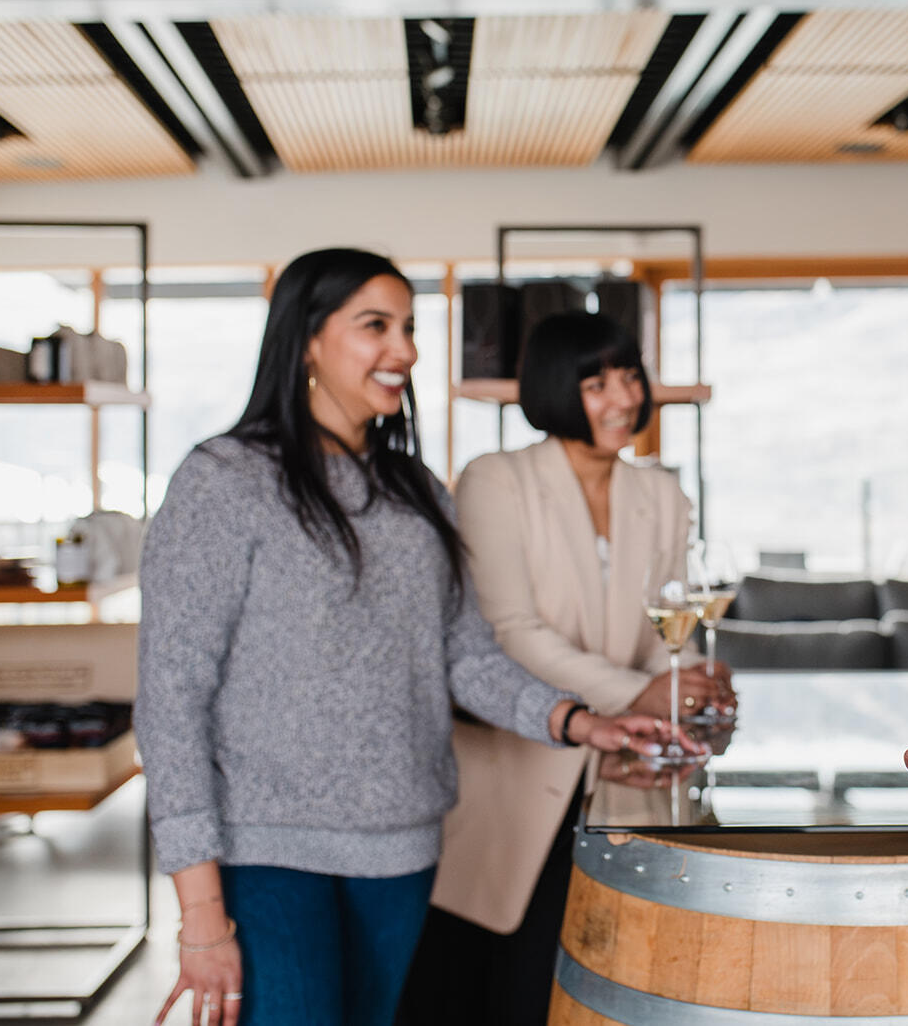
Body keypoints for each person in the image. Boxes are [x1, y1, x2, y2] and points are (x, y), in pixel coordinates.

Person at [135, 251, 680, 1026]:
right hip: (267, 851)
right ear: (308, 340)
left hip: (405, 848)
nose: (407, 351)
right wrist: (199, 912)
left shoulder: (416, 490)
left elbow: (464, 655)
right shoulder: (223, 480)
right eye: (375, 326)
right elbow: (170, 697)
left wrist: (578, 720)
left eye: (410, 328)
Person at [399, 312, 731, 1024]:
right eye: (596, 382)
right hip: (512, 782)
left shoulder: (663, 494)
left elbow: (671, 628)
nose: (622, 398)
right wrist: (643, 693)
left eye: (629, 377)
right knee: (491, 991)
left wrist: (693, 682)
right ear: (555, 388)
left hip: (625, 781)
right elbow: (507, 634)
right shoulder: (496, 480)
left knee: (605, 982)